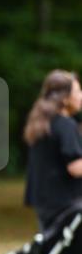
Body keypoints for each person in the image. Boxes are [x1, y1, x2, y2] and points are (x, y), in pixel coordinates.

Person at [24, 69, 82, 231]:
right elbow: (75, 167)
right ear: (65, 98)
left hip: (45, 202)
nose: (81, 96)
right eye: (77, 91)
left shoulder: (42, 123)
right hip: (66, 204)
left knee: (53, 249)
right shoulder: (65, 125)